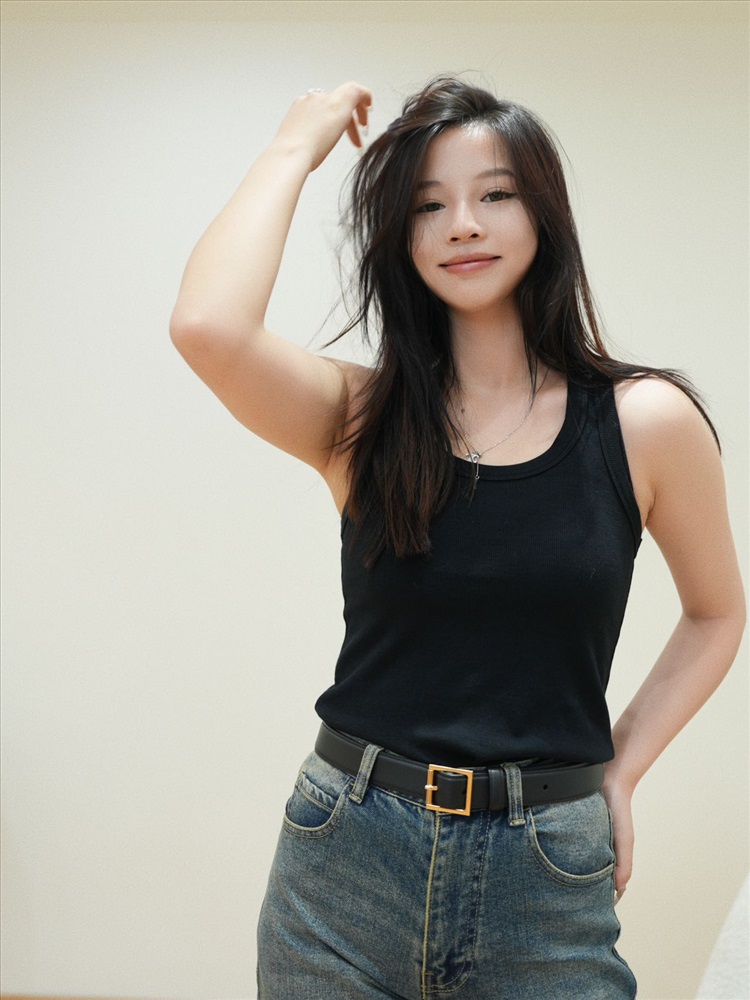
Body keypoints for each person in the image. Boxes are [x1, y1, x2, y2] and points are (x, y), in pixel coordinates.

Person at [170, 77, 745, 999]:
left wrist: (622, 769)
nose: (462, 225)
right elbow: (207, 327)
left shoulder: (646, 422)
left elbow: (717, 613)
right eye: (428, 206)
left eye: (495, 194)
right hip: (345, 857)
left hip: (546, 869)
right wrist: (295, 145)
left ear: (543, 212)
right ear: (400, 239)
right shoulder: (359, 417)